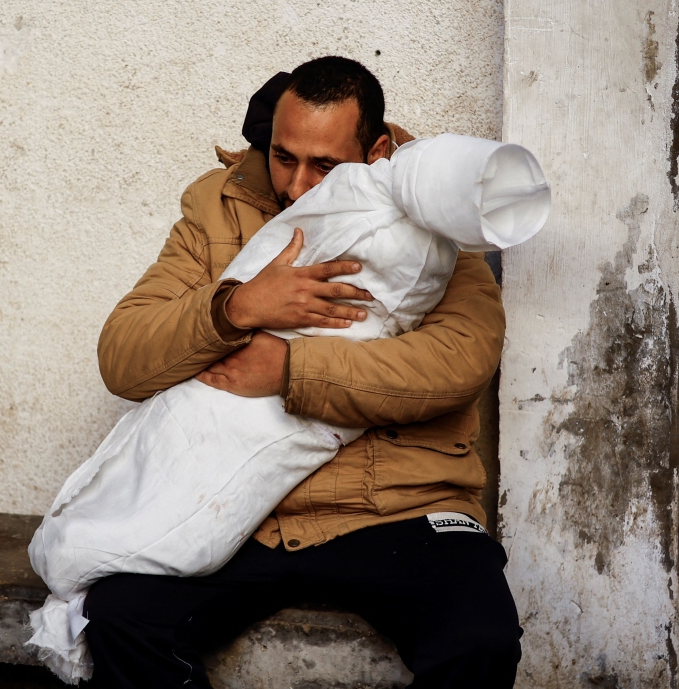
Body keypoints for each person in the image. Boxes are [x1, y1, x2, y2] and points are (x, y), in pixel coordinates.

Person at [85, 56, 521, 688]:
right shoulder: (221, 205)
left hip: (393, 504)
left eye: (324, 166)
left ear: (374, 151)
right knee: (119, 618)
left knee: (479, 641)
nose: (295, 186)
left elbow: (459, 360)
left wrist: (292, 367)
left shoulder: (427, 206)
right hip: (242, 509)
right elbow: (123, 356)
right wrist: (237, 306)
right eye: (283, 156)